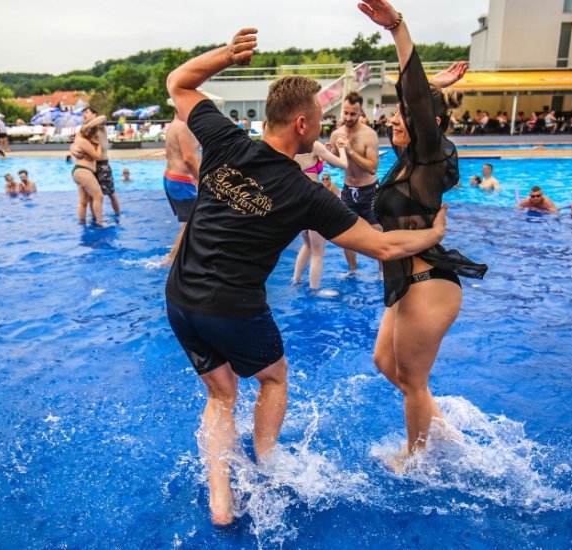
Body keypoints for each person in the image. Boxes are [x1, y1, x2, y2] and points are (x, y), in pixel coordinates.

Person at [166, 27, 448, 526]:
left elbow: (179, 84)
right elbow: (381, 244)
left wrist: (227, 57)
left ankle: (221, 503)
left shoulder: (225, 138)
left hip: (181, 300)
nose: (322, 129)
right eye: (318, 122)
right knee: (273, 377)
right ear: (301, 123)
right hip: (232, 307)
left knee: (221, 393)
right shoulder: (305, 192)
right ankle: (269, 464)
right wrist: (431, 237)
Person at [358, 0, 487, 467]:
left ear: (428, 126)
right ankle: (444, 429)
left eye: (403, 114)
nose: (394, 118)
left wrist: (397, 28)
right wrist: (437, 87)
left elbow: (415, 100)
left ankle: (414, 459)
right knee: (385, 365)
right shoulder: (408, 166)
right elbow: (417, 102)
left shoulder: (429, 163)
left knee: (411, 380)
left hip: (428, 284)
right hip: (403, 283)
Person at [330, 91, 380, 274]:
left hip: (369, 191)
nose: (348, 117)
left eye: (353, 113)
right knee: (347, 234)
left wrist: (350, 151)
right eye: (345, 112)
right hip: (348, 190)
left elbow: (372, 167)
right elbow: (336, 162)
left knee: (377, 234)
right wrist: (331, 154)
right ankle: (353, 271)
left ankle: (382, 273)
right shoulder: (336, 135)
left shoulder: (369, 135)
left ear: (361, 113)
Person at [292, 140, 347, 290]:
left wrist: (321, 156)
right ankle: (314, 291)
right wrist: (342, 149)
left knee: (307, 244)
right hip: (313, 202)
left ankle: (295, 281)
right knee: (318, 252)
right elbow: (343, 164)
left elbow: (306, 170)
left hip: (297, 202)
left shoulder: (292, 144)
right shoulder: (314, 145)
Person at [162, 111, 201, 267]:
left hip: (172, 178)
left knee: (190, 222)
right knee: (189, 224)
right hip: (182, 181)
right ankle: (171, 259)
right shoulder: (184, 126)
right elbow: (188, 158)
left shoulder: (174, 125)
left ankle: (179, 254)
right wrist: (201, 179)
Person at [81, 107, 121, 217]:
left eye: (86, 112)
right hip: (91, 166)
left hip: (102, 164)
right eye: (83, 113)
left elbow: (103, 117)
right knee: (91, 196)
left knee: (111, 194)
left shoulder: (100, 126)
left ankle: (118, 215)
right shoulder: (86, 132)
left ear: (94, 114)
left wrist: (88, 125)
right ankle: (95, 218)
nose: (84, 115)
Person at [70, 124, 104, 225]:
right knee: (99, 196)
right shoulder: (83, 141)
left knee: (84, 200)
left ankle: (82, 222)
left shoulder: (82, 141)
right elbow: (97, 156)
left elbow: (74, 146)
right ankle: (100, 222)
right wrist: (99, 146)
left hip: (80, 171)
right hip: (83, 170)